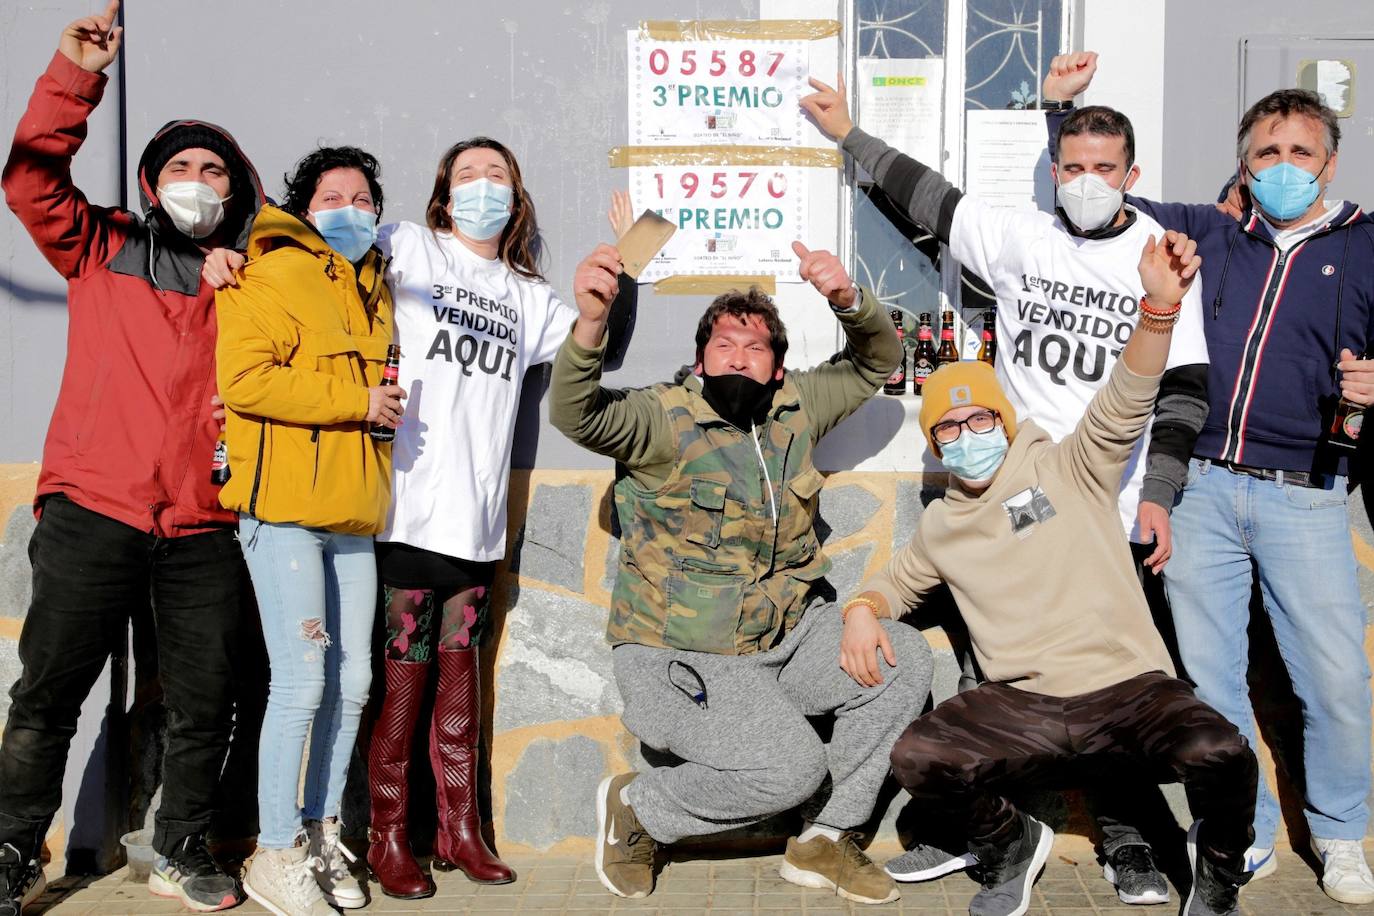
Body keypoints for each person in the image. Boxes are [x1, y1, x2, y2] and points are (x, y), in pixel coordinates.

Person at [801, 75, 1209, 904]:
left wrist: (1160, 493)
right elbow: (931, 199)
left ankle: (1127, 841)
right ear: (1053, 169)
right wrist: (849, 135)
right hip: (1009, 492)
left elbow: (1185, 387)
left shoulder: (1159, 252)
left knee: (1114, 685)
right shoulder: (1022, 237)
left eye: (1104, 166)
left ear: (1130, 172)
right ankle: (976, 833)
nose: (1086, 180)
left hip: (1112, 506)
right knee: (990, 669)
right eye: (1071, 165)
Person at [844, 231, 1259, 916]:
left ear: (1004, 422)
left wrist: (1158, 309)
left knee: (1222, 752)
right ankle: (1011, 846)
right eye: (949, 428)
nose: (966, 433)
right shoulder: (944, 525)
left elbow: (1127, 396)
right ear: (937, 445)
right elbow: (894, 582)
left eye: (980, 417)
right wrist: (862, 609)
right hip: (1022, 705)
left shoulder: (1069, 469)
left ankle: (1216, 875)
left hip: (1127, 691)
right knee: (919, 754)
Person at [1044, 51, 1374, 905]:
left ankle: (1340, 835)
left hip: (1307, 491)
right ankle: (1242, 831)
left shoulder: (1368, 245)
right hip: (1202, 488)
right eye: (1267, 153)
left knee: (1333, 677)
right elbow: (1095, 199)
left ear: (1329, 162)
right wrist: (1059, 113)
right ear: (1244, 163)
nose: (1285, 168)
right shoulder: (1211, 232)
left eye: (1302, 153)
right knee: (1211, 682)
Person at [550, 241, 933, 905]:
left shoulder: (798, 407)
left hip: (787, 638)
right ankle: (641, 810)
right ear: (701, 360)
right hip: (680, 653)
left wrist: (847, 298)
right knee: (791, 768)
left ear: (778, 368)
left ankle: (825, 839)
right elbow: (576, 412)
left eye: (755, 347)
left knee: (903, 662)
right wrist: (590, 324)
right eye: (724, 344)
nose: (737, 356)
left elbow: (880, 358)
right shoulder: (662, 418)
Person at [0, 3, 263, 912]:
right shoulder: (103, 243)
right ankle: (10, 851)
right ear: (153, 184)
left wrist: (247, 272)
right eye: (180, 167)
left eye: (213, 168)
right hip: (92, 507)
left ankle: (185, 845)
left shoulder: (253, 279)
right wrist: (76, 76)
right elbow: (32, 183)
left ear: (235, 188)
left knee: (203, 700)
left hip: (202, 522)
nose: (197, 179)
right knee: (48, 694)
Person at [363, 139, 635, 897]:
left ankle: (460, 829)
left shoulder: (525, 291)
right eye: (468, 175)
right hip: (408, 514)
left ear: (516, 199)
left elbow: (588, 346)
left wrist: (607, 290)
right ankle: (388, 835)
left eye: (499, 177)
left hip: (478, 523)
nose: (484, 187)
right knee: (402, 685)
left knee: (459, 682)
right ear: (445, 196)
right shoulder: (411, 247)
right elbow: (330, 253)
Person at [216, 146, 400, 916]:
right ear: (303, 205)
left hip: (352, 511)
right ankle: (275, 849)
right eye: (333, 195)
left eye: (363, 196)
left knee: (352, 681)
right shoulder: (266, 273)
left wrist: (377, 413)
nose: (350, 207)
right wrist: (356, 402)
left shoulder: (377, 288)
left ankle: (323, 834)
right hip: (284, 509)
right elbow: (245, 378)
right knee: (301, 682)